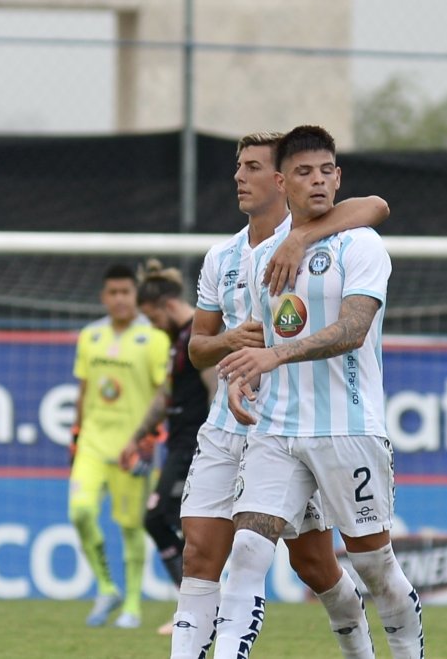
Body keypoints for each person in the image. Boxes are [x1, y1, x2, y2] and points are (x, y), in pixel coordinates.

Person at [170, 130, 391, 659]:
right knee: (202, 552)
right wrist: (230, 340)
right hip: (230, 424)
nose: (238, 178)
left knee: (313, 565)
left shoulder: (329, 239)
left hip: (296, 422)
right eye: (237, 167)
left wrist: (298, 239)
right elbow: (197, 349)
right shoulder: (223, 258)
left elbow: (376, 204)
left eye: (250, 167)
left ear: (278, 180)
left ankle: (358, 643)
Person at [214, 125, 424, 659]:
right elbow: (267, 335)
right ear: (283, 182)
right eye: (304, 172)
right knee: (246, 552)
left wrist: (274, 356)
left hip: (348, 429)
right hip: (277, 429)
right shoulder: (265, 258)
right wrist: (245, 377)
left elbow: (353, 330)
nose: (318, 181)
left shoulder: (362, 244)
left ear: (338, 177)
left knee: (375, 568)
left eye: (327, 171)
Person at [70, 263, 172, 629]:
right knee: (80, 512)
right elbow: (83, 391)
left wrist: (150, 439)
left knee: (132, 527)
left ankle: (131, 605)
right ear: (103, 297)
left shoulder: (155, 339)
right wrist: (76, 433)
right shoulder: (89, 336)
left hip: (133, 449)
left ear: (136, 295)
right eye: (112, 293)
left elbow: (165, 391)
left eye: (125, 292)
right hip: (93, 443)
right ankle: (106, 587)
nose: (119, 299)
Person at [121, 260, 216, 635]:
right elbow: (165, 396)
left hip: (196, 444)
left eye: (150, 316)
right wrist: (137, 436)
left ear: (164, 305)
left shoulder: (200, 333)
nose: (151, 325)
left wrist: (216, 443)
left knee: (163, 518)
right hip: (179, 444)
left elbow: (215, 388)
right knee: (165, 520)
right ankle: (197, 607)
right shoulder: (178, 341)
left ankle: (198, 608)